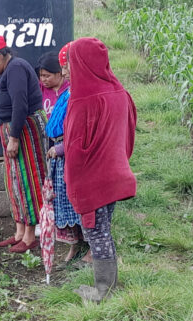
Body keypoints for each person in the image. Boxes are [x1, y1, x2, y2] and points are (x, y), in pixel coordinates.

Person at [62, 37, 137, 302]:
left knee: (96, 232)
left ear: (81, 62)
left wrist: (74, 183)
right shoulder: (119, 92)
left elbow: (74, 147)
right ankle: (109, 286)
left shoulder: (83, 100)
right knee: (104, 229)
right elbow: (129, 133)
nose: (67, 69)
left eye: (70, 62)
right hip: (117, 173)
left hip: (93, 180)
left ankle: (102, 291)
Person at [0, 35, 49, 254]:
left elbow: (20, 104)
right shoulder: (7, 70)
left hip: (25, 129)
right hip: (13, 128)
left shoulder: (16, 68)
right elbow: (6, 107)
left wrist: (14, 137)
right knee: (14, 180)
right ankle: (19, 233)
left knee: (29, 179)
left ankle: (30, 235)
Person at [42, 44, 86, 262]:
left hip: (70, 155)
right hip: (60, 155)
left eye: (67, 68)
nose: (66, 73)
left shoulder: (81, 95)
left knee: (77, 203)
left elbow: (78, 131)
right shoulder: (70, 92)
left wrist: (60, 148)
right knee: (63, 201)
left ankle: (89, 247)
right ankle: (75, 246)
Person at [37, 51, 69, 117]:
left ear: (59, 73)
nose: (43, 79)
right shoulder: (38, 88)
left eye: (47, 76)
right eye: (41, 75)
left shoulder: (70, 89)